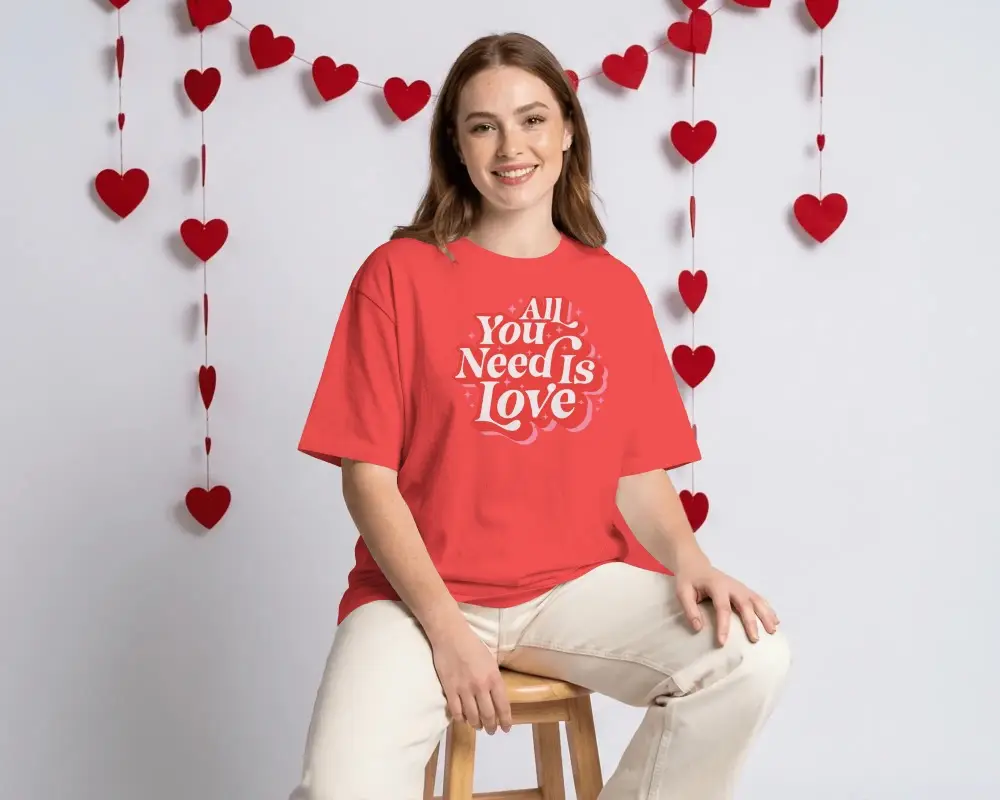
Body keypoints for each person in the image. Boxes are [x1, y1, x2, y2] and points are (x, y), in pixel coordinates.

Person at [290, 31, 791, 800]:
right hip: (416, 599)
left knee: (749, 657)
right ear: (455, 146)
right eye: (482, 125)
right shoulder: (399, 274)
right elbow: (369, 481)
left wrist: (691, 561)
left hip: (569, 588)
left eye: (531, 119)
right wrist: (448, 634)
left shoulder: (611, 288)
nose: (509, 147)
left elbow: (635, 471)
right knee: (336, 791)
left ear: (566, 131)